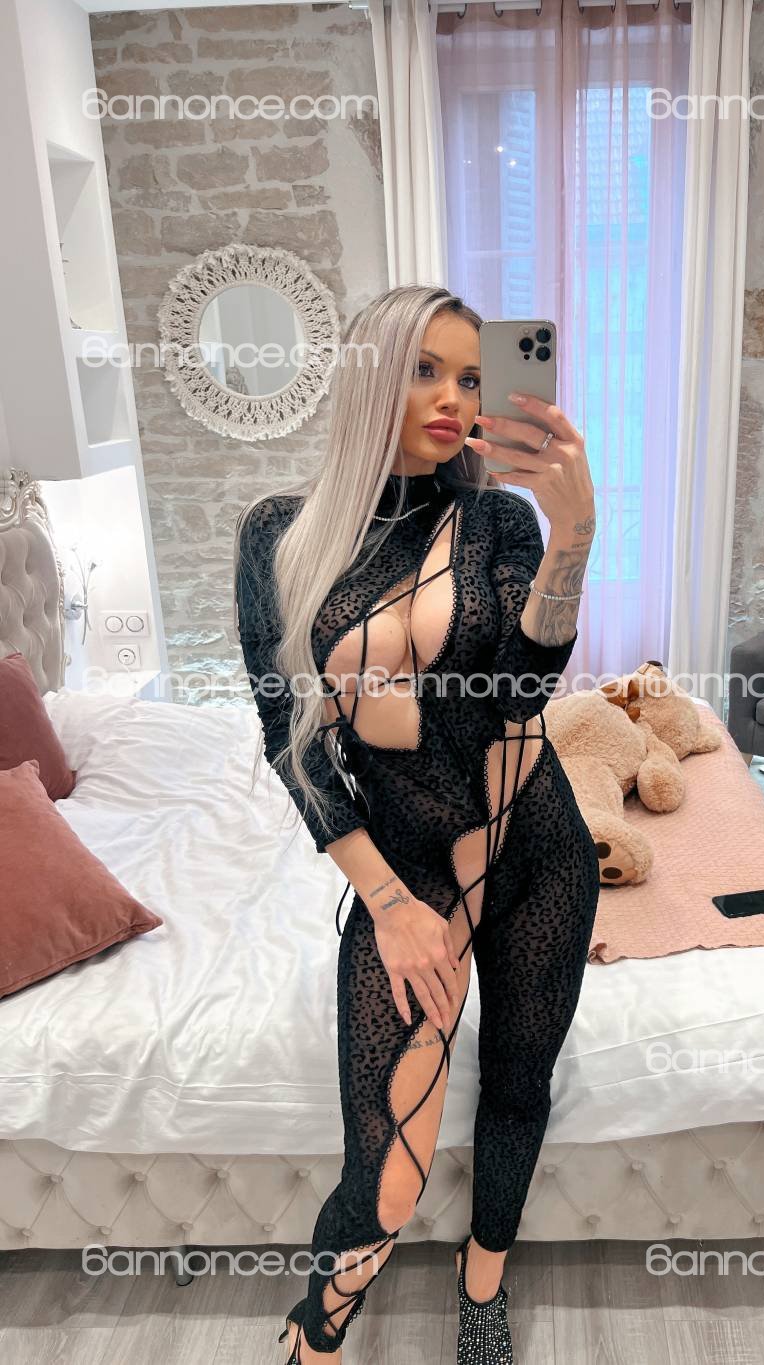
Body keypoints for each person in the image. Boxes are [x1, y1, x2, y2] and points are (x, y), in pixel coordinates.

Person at [233, 285, 599, 1363]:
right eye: (425, 370)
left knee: (519, 1081)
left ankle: (482, 1285)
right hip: (406, 866)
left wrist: (574, 536)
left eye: (474, 378)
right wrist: (388, 904)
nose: (454, 398)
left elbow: (523, 691)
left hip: (535, 849)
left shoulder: (497, 520)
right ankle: (321, 1325)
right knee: (384, 1172)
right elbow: (288, 737)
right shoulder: (281, 534)